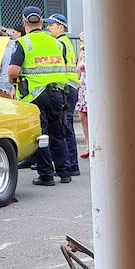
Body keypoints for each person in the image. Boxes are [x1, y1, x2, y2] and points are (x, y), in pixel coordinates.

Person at [8, 6, 72, 186]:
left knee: (41, 136)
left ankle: (46, 175)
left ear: (24, 22)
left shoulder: (23, 43)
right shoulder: (57, 43)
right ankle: (64, 172)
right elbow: (64, 67)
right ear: (42, 22)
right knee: (58, 132)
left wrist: (12, 83)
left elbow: (13, 70)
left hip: (34, 96)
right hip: (57, 92)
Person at [45, 13, 81, 175]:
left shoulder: (60, 44)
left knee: (65, 127)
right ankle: (72, 164)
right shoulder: (65, 42)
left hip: (66, 88)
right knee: (67, 127)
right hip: (70, 87)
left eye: (51, 25)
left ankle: (71, 164)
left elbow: (62, 67)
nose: (48, 28)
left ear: (61, 27)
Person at [76, 32, 90, 159]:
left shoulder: (95, 53)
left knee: (93, 117)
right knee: (82, 117)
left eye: (83, 39)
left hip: (93, 89)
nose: (81, 42)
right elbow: (77, 74)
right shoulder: (82, 54)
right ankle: (88, 144)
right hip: (83, 87)